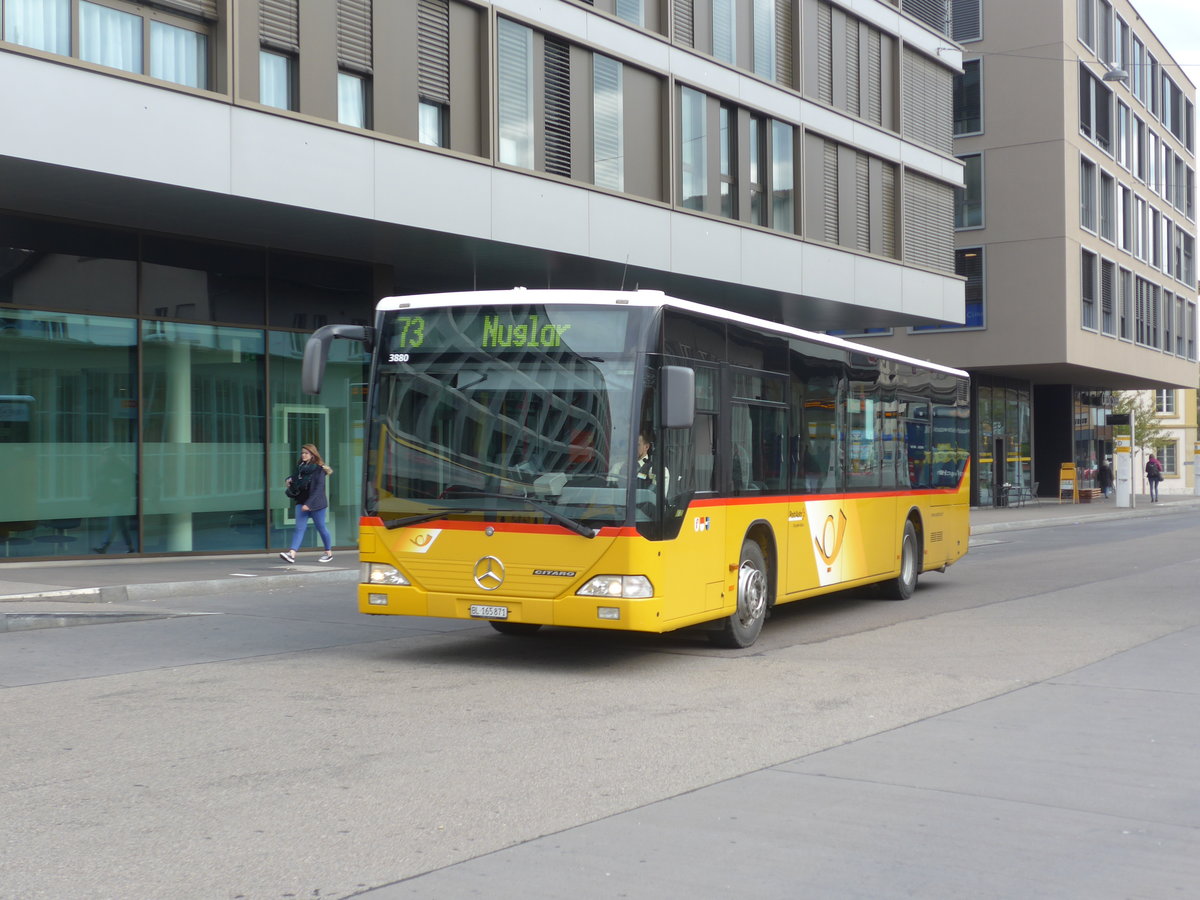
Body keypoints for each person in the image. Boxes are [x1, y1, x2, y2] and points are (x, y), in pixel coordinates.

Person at [280, 444, 334, 563]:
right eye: (302, 453)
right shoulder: (300, 467)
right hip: (301, 501)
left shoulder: (319, 469)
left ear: (312, 455)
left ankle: (328, 552)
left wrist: (309, 504)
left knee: (321, 528)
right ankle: (292, 554)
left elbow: (319, 489)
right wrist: (288, 480)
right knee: (299, 528)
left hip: (316, 504)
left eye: (306, 453)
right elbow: (295, 478)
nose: (303, 455)